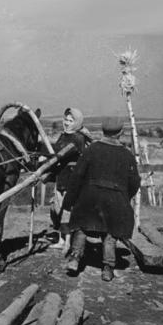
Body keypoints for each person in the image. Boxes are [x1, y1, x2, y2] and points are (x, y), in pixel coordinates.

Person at [62, 117, 141, 282]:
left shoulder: (92, 150)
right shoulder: (127, 155)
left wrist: (69, 201)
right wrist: (123, 197)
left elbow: (77, 176)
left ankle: (75, 258)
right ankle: (107, 268)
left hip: (89, 197)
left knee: (82, 226)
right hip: (115, 199)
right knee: (111, 232)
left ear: (103, 131)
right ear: (120, 133)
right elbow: (134, 182)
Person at [48, 108, 92, 253]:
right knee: (57, 207)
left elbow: (62, 153)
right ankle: (62, 239)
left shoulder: (78, 138)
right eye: (65, 120)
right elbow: (56, 151)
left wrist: (50, 159)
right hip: (61, 176)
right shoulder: (63, 136)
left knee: (67, 210)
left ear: (77, 122)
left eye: (70, 121)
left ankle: (67, 242)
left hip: (72, 179)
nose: (67, 123)